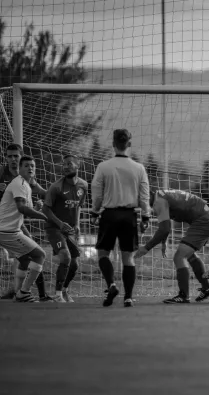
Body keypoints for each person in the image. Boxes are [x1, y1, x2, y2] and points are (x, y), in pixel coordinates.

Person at [91, 129, 151, 307]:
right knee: (128, 258)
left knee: (103, 253)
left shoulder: (103, 166)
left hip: (109, 214)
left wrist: (94, 212)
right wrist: (146, 217)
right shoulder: (138, 168)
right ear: (129, 144)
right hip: (129, 216)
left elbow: (97, 194)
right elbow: (144, 196)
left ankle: (111, 284)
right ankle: (128, 297)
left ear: (113, 144)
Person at [134, 189, 209, 304]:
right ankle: (207, 289)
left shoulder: (158, 202)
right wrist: (163, 241)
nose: (140, 205)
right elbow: (165, 227)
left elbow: (164, 229)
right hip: (208, 218)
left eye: (139, 201)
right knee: (189, 255)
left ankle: (184, 295)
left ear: (146, 197)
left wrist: (146, 248)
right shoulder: (160, 196)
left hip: (204, 221)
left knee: (179, 257)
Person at [0, 144, 50, 301]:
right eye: (10, 156)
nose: (13, 159)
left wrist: (59, 199)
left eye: (16, 155)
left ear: (21, 157)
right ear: (6, 158)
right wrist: (42, 215)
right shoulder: (3, 174)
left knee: (27, 255)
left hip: (13, 224)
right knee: (37, 253)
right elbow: (21, 207)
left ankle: (26, 293)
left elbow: (43, 194)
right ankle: (23, 293)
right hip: (6, 225)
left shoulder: (28, 180)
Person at [42, 154, 88, 302]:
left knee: (74, 265)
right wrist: (60, 223)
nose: (66, 167)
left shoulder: (84, 185)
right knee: (66, 257)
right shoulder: (56, 187)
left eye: (69, 164)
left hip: (69, 230)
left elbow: (79, 206)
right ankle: (57, 295)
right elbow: (45, 209)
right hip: (54, 228)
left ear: (78, 166)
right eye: (64, 164)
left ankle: (65, 290)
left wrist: (78, 224)